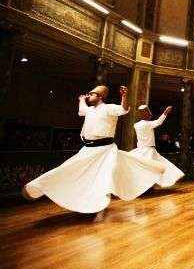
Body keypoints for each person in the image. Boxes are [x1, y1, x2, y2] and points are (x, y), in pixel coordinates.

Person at [22, 85, 166, 214]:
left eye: (91, 94)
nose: (89, 96)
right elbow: (81, 110)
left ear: (100, 96)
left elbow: (123, 109)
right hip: (87, 148)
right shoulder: (89, 110)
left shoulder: (108, 108)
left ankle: (94, 202)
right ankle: (39, 187)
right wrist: (81, 99)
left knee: (102, 177)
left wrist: (124, 96)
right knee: (69, 168)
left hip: (105, 150)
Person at [129, 105, 184, 188]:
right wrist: (166, 111)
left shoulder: (136, 125)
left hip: (140, 150)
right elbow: (159, 122)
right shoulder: (148, 124)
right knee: (159, 167)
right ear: (145, 115)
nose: (150, 115)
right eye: (148, 114)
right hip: (148, 150)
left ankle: (145, 185)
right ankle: (147, 186)